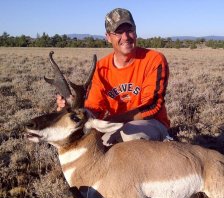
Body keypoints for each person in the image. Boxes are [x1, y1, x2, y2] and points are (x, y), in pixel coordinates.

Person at [57, 8, 170, 146]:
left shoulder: (154, 60)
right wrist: (73, 108)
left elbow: (152, 107)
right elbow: (95, 109)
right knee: (95, 144)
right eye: (118, 32)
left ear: (135, 32)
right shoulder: (101, 68)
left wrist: (111, 120)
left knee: (129, 138)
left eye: (130, 30)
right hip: (115, 125)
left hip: (152, 123)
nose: (126, 36)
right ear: (108, 37)